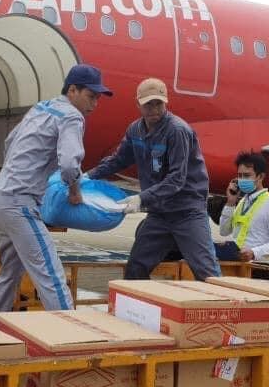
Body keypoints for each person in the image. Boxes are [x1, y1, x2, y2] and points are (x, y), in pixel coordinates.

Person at [0, 64, 113, 320]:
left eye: (98, 98)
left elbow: (9, 142)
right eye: (91, 96)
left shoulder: (41, 108)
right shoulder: (72, 117)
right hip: (20, 203)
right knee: (51, 275)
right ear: (72, 90)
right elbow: (69, 164)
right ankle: (70, 334)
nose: (95, 104)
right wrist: (74, 191)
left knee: (10, 272)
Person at [88, 78, 220, 281]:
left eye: (159, 103)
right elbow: (118, 160)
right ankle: (138, 300)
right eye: (148, 104)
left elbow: (177, 179)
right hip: (159, 214)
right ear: (138, 104)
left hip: (187, 213)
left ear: (166, 102)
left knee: (207, 273)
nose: (154, 109)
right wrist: (88, 176)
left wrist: (141, 198)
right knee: (135, 269)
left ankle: (225, 300)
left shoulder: (177, 131)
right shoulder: (135, 131)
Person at [217, 151, 269, 262]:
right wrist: (230, 203)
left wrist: (254, 252)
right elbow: (224, 231)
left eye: (247, 175)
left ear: (261, 176)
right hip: (238, 264)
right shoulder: (241, 202)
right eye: (239, 175)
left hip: (258, 267)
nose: (242, 180)